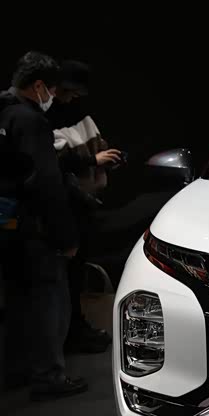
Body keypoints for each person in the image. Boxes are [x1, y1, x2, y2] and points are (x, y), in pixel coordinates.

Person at [0, 52, 87, 396]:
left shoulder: (4, 112)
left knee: (17, 301)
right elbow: (46, 184)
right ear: (38, 85)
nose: (52, 96)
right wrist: (66, 237)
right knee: (51, 300)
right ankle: (49, 376)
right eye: (51, 89)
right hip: (36, 227)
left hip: (9, 224)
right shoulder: (31, 121)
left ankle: (16, 370)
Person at [48, 60, 121, 353]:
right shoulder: (43, 118)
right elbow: (53, 162)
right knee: (64, 275)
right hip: (65, 203)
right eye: (69, 92)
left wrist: (106, 158)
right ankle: (68, 335)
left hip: (83, 202)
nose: (71, 98)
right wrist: (93, 160)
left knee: (75, 273)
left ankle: (75, 329)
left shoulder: (79, 114)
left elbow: (95, 146)